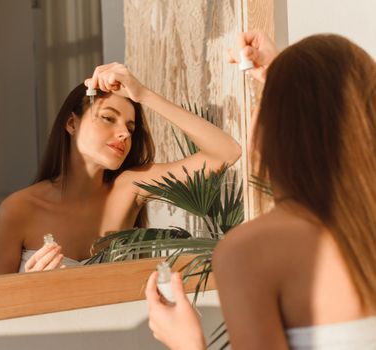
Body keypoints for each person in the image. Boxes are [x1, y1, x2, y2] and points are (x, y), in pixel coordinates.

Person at [146, 31, 376, 349]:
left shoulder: (251, 252)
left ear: (276, 125)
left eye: (261, 104)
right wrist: (285, 77)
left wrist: (186, 343)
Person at [0, 64, 241, 274]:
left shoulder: (130, 187)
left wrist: (143, 94)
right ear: (71, 123)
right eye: (109, 118)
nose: (123, 133)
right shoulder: (18, 210)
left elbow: (226, 152)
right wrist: (30, 287)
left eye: (130, 128)